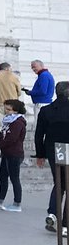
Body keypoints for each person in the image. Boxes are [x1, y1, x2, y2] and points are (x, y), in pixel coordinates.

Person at [34, 81, 69, 235]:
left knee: (59, 183)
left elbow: (38, 135)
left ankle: (53, 213)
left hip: (53, 150)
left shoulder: (46, 110)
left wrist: (40, 154)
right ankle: (66, 224)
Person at [0, 99, 27, 213]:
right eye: (6, 108)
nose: (6, 111)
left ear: (15, 111)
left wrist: (0, 144)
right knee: (3, 176)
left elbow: (12, 138)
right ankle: (0, 199)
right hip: (7, 153)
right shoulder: (8, 121)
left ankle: (17, 203)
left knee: (14, 178)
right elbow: (2, 133)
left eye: (8, 109)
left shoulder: (18, 122)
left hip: (14, 153)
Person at [0, 62, 22, 133]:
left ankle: (1, 141)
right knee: (12, 124)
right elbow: (19, 91)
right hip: (12, 103)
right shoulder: (14, 77)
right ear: (7, 68)